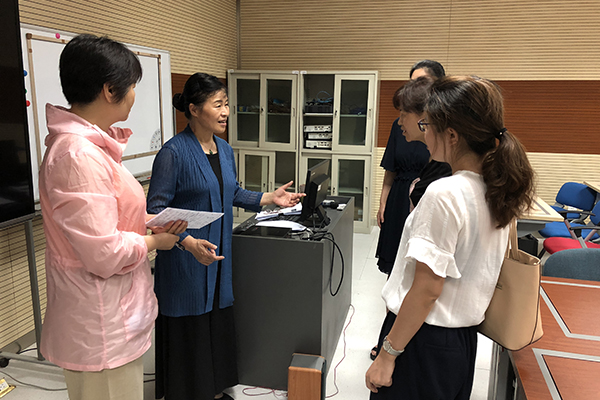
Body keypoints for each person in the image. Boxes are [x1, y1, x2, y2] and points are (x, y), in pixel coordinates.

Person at [365, 75, 535, 399]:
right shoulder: (496, 190)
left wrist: (387, 354)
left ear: (452, 135)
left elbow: (427, 289)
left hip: (422, 340)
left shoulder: (445, 193)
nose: (424, 134)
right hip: (460, 343)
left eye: (427, 126)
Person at [38, 34, 186, 400]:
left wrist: (150, 222)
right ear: (109, 90)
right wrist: (156, 241)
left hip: (111, 315)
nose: (134, 95)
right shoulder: (78, 156)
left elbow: (107, 219)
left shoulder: (92, 148)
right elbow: (104, 252)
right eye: (132, 86)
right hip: (100, 326)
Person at [146, 72, 304, 400]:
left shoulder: (224, 149)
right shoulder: (173, 153)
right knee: (190, 327)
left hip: (217, 258)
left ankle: (213, 390)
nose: (225, 112)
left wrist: (270, 198)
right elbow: (155, 212)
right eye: (217, 105)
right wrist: (188, 243)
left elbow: (233, 192)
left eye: (227, 104)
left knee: (214, 323)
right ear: (193, 109)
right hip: (185, 262)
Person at [372, 60, 445, 360]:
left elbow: (430, 286)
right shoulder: (400, 127)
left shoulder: (443, 171)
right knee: (396, 270)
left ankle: (395, 340)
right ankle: (390, 334)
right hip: (402, 197)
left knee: (418, 275)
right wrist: (383, 201)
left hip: (422, 198)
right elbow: (390, 168)